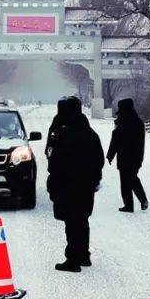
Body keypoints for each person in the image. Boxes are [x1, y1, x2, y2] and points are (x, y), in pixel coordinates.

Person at [46, 96, 105, 272]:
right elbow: (99, 160)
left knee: (71, 222)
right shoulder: (90, 133)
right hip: (86, 186)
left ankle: (72, 260)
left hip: (67, 185)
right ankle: (84, 255)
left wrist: (54, 182)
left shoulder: (62, 133)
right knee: (82, 220)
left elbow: (53, 159)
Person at [107, 98, 149, 212]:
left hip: (124, 157)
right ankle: (143, 200)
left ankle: (129, 205)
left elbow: (115, 140)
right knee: (133, 179)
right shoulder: (139, 122)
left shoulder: (121, 123)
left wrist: (110, 155)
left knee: (125, 182)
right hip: (137, 157)